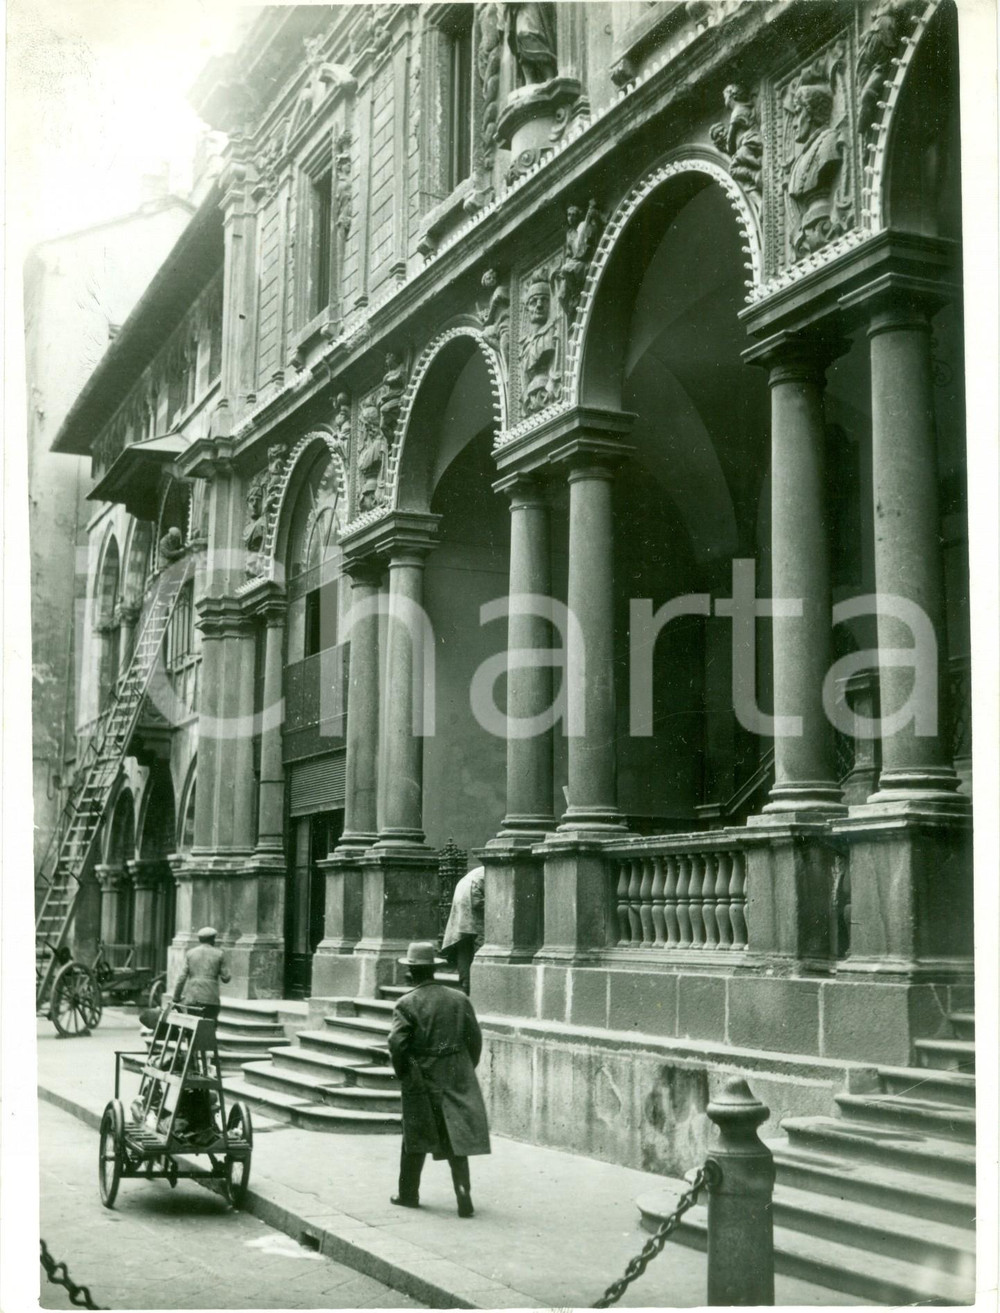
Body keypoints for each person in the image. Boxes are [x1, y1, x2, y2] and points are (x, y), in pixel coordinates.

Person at [387, 942, 491, 1218]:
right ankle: (463, 1195)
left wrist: (405, 1073)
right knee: (456, 1137)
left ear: (411, 972)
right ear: (433, 969)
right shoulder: (459, 999)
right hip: (456, 1072)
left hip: (421, 1076)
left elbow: (397, 1044)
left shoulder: (406, 1003)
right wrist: (464, 1067)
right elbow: (475, 1039)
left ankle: (408, 1194)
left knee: (414, 1137)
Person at [441, 865, 485, 995]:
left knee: (463, 939)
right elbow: (478, 902)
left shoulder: (482, 869)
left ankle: (466, 984)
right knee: (481, 940)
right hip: (472, 892)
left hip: (464, 890)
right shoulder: (490, 870)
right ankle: (472, 986)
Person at [173, 926, 230, 1022]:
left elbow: (181, 978)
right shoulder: (219, 954)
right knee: (210, 1026)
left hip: (193, 997)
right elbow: (226, 978)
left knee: (193, 1025)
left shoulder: (190, 953)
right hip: (211, 998)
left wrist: (176, 997)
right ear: (213, 939)